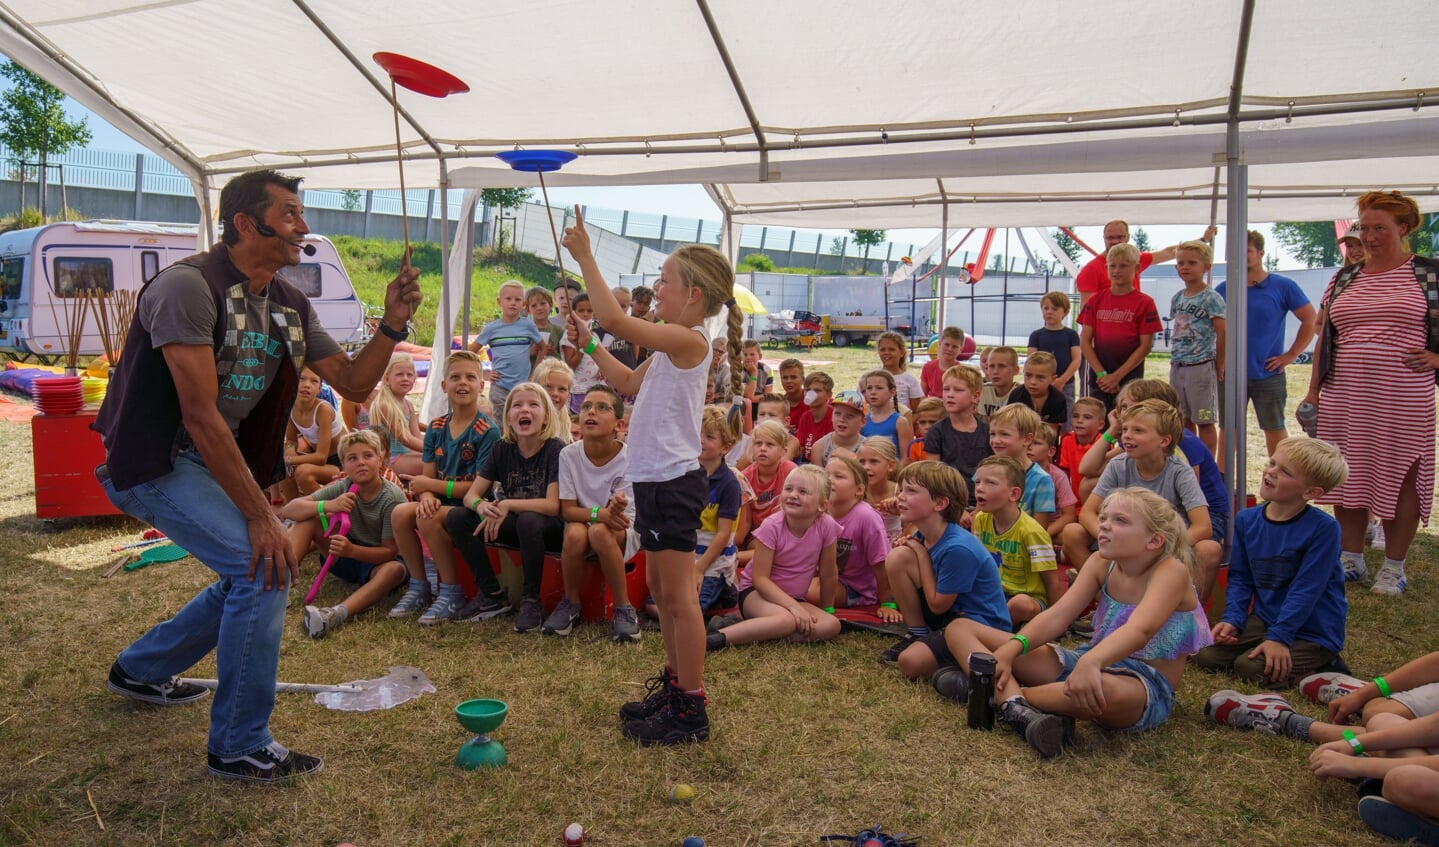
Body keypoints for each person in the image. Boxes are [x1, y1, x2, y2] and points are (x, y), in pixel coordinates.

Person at [96, 168, 422, 783]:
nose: (303, 225)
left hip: (207, 461)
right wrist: (258, 514)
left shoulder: (289, 302)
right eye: (291, 214)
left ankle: (140, 671)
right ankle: (238, 745)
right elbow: (198, 416)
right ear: (247, 223)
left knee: (253, 571)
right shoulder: (188, 288)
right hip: (155, 461)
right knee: (264, 568)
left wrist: (393, 325)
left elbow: (352, 382)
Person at [564, 211, 742, 746]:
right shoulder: (672, 345)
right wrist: (589, 342)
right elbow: (623, 380)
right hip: (657, 482)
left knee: (679, 597)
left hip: (671, 482)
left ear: (691, 295)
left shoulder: (691, 342)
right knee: (665, 595)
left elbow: (620, 322)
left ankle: (690, 708)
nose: (656, 288)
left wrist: (587, 259)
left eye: (664, 280)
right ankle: (674, 687)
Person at [942, 487, 1214, 758]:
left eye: (1120, 520)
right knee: (960, 628)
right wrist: (1013, 648)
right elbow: (1058, 615)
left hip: (1143, 684)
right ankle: (1015, 706)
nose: (1104, 525)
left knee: (1103, 690)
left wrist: (1092, 663)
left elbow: (1140, 629)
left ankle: (995, 695)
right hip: (1085, 663)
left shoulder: (1171, 571)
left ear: (1154, 541)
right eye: (1104, 517)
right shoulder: (1100, 562)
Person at [1305, 191, 1438, 596]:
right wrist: (1313, 391)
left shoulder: (1428, 273)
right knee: (1346, 473)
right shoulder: (1345, 276)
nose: (1370, 235)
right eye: (1364, 227)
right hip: (1344, 391)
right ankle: (1351, 559)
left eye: (1379, 227)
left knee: (1404, 474)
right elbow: (1326, 335)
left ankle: (1394, 567)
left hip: (1404, 394)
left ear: (1403, 229)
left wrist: (1436, 356)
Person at [1195, 437, 1348, 687]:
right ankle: (1267, 644)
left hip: (1313, 630)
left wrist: (1280, 637)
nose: (1271, 472)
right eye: (1272, 463)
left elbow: (1307, 589)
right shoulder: (1246, 519)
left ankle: (1324, 663)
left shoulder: (1324, 529)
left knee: (1249, 668)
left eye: (1285, 471)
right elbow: (1241, 577)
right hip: (1266, 620)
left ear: (1311, 492)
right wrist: (1233, 619)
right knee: (1205, 655)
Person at [1062, 399, 1222, 602]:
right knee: (1072, 532)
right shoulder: (1118, 465)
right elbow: (1087, 512)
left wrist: (1156, 550)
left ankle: (1188, 615)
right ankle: (1105, 604)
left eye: (1138, 430)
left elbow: (1203, 527)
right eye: (1126, 429)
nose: (1127, 435)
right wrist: (1108, 539)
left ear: (1164, 441)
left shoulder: (1180, 471)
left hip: (1164, 545)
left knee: (1209, 549)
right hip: (1123, 538)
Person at [387, 351, 502, 624]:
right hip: (440, 502)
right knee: (400, 513)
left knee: (427, 516)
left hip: (473, 508)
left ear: (481, 385)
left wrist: (429, 487)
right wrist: (426, 495)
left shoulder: (488, 430)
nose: (462, 383)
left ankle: (451, 591)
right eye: (455, 377)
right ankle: (419, 585)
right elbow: (427, 477)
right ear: (443, 386)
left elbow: (477, 488)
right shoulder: (437, 427)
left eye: (470, 377)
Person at [447, 382, 566, 632]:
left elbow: (553, 505)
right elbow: (471, 495)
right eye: (517, 405)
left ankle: (531, 600)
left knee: (529, 520)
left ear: (545, 417)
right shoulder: (502, 448)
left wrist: (507, 503)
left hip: (550, 529)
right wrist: (481, 507)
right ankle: (491, 594)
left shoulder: (555, 449)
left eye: (533, 405)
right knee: (458, 517)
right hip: (516, 525)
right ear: (509, 417)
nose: (525, 410)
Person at [879, 461, 1010, 678]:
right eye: (901, 489)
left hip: (979, 626)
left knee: (910, 662)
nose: (900, 496)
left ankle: (965, 668)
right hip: (950, 619)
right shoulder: (924, 533)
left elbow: (938, 605)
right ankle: (918, 633)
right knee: (898, 557)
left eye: (911, 491)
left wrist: (921, 554)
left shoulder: (958, 547)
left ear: (940, 503)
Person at [284, 430, 408, 640]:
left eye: (367, 456)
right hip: (342, 554)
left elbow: (390, 551)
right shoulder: (343, 486)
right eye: (352, 458)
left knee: (395, 570)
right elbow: (289, 510)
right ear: (343, 465)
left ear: (380, 460)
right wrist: (328, 505)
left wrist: (352, 550)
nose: (361, 463)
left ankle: (334, 615)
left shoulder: (392, 497)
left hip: (375, 562)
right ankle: (275, 585)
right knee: (308, 518)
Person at [706, 465, 840, 651]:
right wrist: (794, 608)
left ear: (822, 505)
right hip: (756, 594)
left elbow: (828, 572)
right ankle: (717, 639)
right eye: (788, 489)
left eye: (803, 491)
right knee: (786, 621)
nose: (793, 495)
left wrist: (827, 609)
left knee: (831, 625)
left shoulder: (826, 525)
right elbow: (759, 579)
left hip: (794, 599)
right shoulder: (772, 526)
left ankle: (750, 630)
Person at [544, 385, 640, 641]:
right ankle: (570, 603)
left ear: (619, 424)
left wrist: (610, 513)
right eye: (586, 406)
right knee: (575, 533)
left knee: (599, 532)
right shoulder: (568, 454)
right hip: (587, 521)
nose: (591, 412)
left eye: (602, 407)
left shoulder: (631, 458)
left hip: (618, 531)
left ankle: (624, 608)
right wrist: (601, 513)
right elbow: (568, 511)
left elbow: (624, 519)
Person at [1215, 229, 1318, 457]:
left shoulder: (1282, 286)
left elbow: (1311, 319)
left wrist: (1291, 355)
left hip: (1268, 373)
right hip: (1230, 375)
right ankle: (1223, 486)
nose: (1241, 256)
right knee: (1227, 429)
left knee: (1274, 428)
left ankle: (1280, 478)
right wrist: (1219, 361)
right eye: (1234, 252)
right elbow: (1215, 331)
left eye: (1247, 251)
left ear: (1260, 253)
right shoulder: (1223, 289)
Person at [971, 455, 1063, 626]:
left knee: (1020, 604)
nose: (979, 489)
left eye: (990, 483)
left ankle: (991, 627)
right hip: (995, 593)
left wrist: (1057, 623)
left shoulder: (1032, 532)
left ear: (1013, 494)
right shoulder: (981, 519)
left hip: (1029, 599)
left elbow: (1052, 580)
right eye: (977, 482)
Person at [1078, 243, 1162, 412]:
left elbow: (1145, 346)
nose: (1117, 271)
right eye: (1112, 266)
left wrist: (1117, 376)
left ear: (1136, 268)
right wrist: (1102, 374)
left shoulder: (1145, 303)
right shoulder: (1096, 300)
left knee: (1126, 419)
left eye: (1123, 266)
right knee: (1097, 421)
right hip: (1099, 377)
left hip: (1129, 377)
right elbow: (1085, 340)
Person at [818, 455, 896, 620]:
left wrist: (888, 604)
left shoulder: (865, 517)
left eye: (839, 476)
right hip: (823, 575)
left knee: (808, 592)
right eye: (826, 475)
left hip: (855, 587)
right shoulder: (820, 510)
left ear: (858, 490)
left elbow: (881, 564)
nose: (830, 480)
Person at [1073, 220, 1215, 310]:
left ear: (1128, 237)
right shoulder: (1091, 270)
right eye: (1110, 238)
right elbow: (1087, 310)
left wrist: (1201, 241)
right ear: (1104, 238)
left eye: (1120, 237)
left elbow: (1167, 253)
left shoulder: (1137, 258)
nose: (1115, 241)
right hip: (1103, 337)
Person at [1168, 240, 1226, 456]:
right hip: (1179, 364)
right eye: (1181, 263)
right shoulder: (1178, 298)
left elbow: (1223, 332)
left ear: (1206, 267)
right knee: (1182, 417)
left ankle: (1208, 461)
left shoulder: (1211, 298)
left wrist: (1219, 364)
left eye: (1192, 263)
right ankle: (1190, 458)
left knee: (1204, 418)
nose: (1185, 267)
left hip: (1200, 365)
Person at [923, 363, 991, 517]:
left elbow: (993, 475)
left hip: (983, 504)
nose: (950, 395)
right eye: (946, 389)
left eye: (958, 390)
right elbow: (934, 477)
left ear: (975, 396)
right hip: (946, 504)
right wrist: (956, 510)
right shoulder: (937, 432)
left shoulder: (988, 432)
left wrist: (979, 509)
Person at [694, 407, 743, 615]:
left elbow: (723, 534)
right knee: (654, 606)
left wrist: (699, 568)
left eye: (709, 436)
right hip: (686, 556)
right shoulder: (686, 473)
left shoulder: (729, 483)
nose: (700, 440)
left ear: (726, 447)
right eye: (697, 433)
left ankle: (726, 587)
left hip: (713, 561)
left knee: (691, 609)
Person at [475, 280, 543, 413]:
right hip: (499, 386)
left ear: (523, 304)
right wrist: (483, 373)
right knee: (500, 423)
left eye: (518, 299)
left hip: (523, 387)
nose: (513, 302)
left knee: (521, 420)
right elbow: (469, 353)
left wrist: (534, 373)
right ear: (499, 302)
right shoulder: (491, 329)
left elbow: (543, 347)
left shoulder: (528, 326)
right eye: (508, 299)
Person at [985, 403, 1055, 528]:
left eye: (1004, 434)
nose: (995, 440)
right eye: (992, 434)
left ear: (1027, 439)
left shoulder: (1041, 480)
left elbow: (1039, 529)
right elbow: (980, 513)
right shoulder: (987, 470)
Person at [281, 366, 346, 497]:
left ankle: (324, 513)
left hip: (341, 464)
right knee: (282, 469)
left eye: (314, 381)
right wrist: (289, 450)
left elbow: (321, 457)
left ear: (319, 389)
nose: (306, 385)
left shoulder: (323, 410)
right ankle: (295, 513)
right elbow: (291, 441)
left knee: (303, 472)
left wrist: (289, 459)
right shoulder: (290, 407)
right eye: (301, 379)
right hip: (319, 460)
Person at [367, 352, 425, 477]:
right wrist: (438, 451)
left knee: (441, 459)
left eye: (409, 375)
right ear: (387, 379)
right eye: (399, 374)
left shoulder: (408, 404)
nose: (405, 378)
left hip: (405, 454)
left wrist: (440, 446)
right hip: (389, 459)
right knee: (435, 463)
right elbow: (405, 439)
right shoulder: (385, 404)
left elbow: (417, 436)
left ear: (415, 378)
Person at [1028, 291, 1081, 424]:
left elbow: (1076, 360)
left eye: (1054, 308)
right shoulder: (1036, 335)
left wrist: (1062, 380)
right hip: (1041, 385)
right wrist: (1044, 381)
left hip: (1066, 384)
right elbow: (1032, 360)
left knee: (1065, 420)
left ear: (1065, 312)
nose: (1049, 312)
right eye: (1046, 308)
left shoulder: (1071, 335)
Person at [741, 420, 796, 534]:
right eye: (758, 443)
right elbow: (745, 521)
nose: (763, 448)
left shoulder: (792, 473)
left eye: (770, 444)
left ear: (783, 451)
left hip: (786, 528)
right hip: (756, 530)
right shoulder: (745, 477)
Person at [562, 292, 613, 411]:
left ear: (594, 313)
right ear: (573, 313)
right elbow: (570, 365)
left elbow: (597, 356)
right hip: (579, 388)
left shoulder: (594, 336)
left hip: (597, 386)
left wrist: (602, 369)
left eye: (589, 311)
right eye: (581, 310)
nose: (585, 314)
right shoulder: (569, 335)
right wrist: (580, 347)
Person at [1028, 426, 1077, 541]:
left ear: (1051, 451)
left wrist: (1043, 534)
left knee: (1069, 535)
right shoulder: (1015, 472)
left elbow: (1069, 515)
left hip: (1051, 526)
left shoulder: (1058, 476)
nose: (1029, 447)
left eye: (1036, 443)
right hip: (1023, 525)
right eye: (1027, 441)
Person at [1058, 396, 1105, 502]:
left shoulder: (1104, 444)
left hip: (1095, 498)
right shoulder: (1067, 440)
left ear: (1100, 425)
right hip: (1072, 499)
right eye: (1075, 416)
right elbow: (1063, 474)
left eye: (1087, 417)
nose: (1079, 421)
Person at [1006, 351, 1066, 434]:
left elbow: (1052, 432)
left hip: (1046, 442)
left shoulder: (1057, 399)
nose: (1033, 382)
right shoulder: (1016, 395)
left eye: (1040, 377)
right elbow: (1011, 425)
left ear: (1053, 379)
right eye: (1028, 375)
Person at [857, 436, 903, 541]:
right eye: (861, 462)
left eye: (874, 461)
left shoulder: (901, 491)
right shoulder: (853, 493)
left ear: (890, 466)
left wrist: (901, 511)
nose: (866, 467)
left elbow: (913, 528)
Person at [865, 331, 924, 410]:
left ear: (902, 352)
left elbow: (916, 412)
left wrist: (902, 422)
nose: (886, 352)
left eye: (891, 349)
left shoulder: (910, 380)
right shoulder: (870, 378)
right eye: (882, 350)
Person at [859, 368, 913, 454]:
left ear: (892, 392)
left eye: (879, 388)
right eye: (869, 388)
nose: (873, 392)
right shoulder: (862, 421)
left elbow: (906, 458)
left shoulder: (900, 422)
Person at [787, 371, 834, 462]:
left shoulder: (833, 417)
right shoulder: (806, 416)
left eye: (817, 391)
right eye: (808, 390)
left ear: (829, 395)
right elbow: (800, 447)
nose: (811, 395)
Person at [810, 390, 865, 466]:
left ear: (863, 422)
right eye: (837, 413)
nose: (842, 419)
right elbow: (818, 477)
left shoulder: (867, 448)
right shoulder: (820, 447)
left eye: (850, 416)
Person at [530, 357, 574, 444]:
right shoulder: (526, 421)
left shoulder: (565, 421)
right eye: (548, 387)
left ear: (568, 393)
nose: (555, 393)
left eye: (562, 389)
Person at [922, 327, 966, 398]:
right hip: (932, 406)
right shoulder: (928, 367)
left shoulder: (962, 372)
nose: (950, 349)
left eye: (954, 347)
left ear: (961, 349)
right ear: (940, 344)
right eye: (947, 345)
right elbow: (923, 394)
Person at [978, 346, 1020, 421]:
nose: (995, 371)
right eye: (991, 366)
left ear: (1015, 370)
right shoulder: (984, 390)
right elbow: (985, 423)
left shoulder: (1022, 393)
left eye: (1001, 366)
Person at [525, 285, 564, 367]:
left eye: (543, 303)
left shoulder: (558, 331)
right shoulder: (524, 330)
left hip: (552, 375)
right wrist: (530, 352)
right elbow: (515, 357)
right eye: (534, 305)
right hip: (529, 376)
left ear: (550, 304)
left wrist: (554, 353)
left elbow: (565, 360)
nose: (539, 308)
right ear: (528, 310)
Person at [906, 397, 945, 466]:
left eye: (932, 422)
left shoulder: (952, 444)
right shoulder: (915, 445)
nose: (927, 427)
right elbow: (913, 473)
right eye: (922, 422)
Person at [740, 339, 773, 410]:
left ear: (760, 356)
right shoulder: (739, 371)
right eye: (745, 354)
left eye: (752, 354)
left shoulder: (767, 370)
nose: (748, 357)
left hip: (761, 405)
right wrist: (754, 373)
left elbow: (768, 396)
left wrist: (752, 398)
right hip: (743, 406)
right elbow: (747, 395)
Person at [777, 358, 807, 433]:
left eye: (793, 377)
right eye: (785, 378)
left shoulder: (813, 402)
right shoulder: (777, 405)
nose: (789, 381)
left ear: (803, 379)